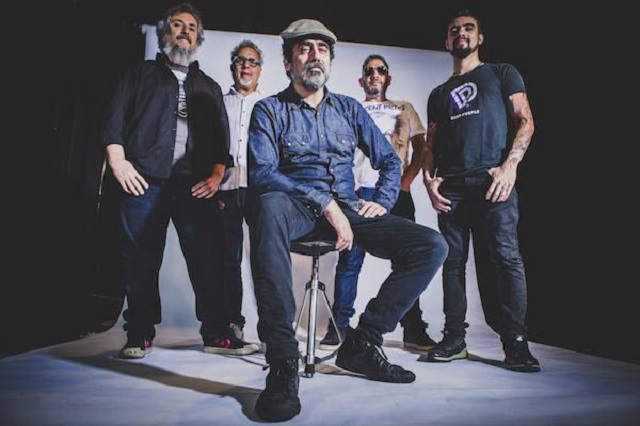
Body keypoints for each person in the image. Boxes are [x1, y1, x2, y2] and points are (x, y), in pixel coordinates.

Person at [247, 18, 448, 422]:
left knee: (431, 245)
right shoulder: (269, 110)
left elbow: (389, 160)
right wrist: (325, 203)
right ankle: (283, 361)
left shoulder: (348, 109)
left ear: (330, 61)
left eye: (322, 49)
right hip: (295, 209)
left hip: (350, 209)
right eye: (305, 48)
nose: (315, 55)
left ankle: (362, 342)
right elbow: (263, 172)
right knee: (266, 205)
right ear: (288, 62)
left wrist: (383, 202)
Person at [100, 2, 234, 359]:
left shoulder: (209, 86)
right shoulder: (138, 74)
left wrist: (216, 176)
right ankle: (139, 333)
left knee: (208, 259)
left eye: (191, 26)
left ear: (198, 38)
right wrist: (118, 161)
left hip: (193, 185)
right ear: (165, 33)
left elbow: (221, 141)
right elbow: (114, 120)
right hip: (145, 181)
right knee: (140, 260)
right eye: (177, 24)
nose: (185, 30)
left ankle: (217, 332)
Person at [421, 8, 540, 372]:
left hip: (493, 181)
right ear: (447, 41)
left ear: (479, 37)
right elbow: (430, 144)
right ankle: (454, 339)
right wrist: (428, 180)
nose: (461, 33)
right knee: (452, 262)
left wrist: (510, 166)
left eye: (468, 28)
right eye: (454, 29)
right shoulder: (439, 93)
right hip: (452, 187)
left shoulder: (502, 73)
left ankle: (516, 342)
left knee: (506, 258)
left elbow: (526, 120)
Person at [319, 54, 436, 352]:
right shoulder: (350, 109)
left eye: (380, 70)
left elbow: (422, 148)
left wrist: (406, 181)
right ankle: (339, 326)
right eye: (369, 71)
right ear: (361, 80)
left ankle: (412, 328)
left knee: (410, 259)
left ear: (388, 78)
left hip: (393, 193)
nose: (374, 74)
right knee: (350, 261)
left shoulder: (404, 108)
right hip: (358, 195)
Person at [210, 39, 268, 355]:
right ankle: (233, 325)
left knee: (264, 261)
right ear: (233, 66)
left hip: (260, 192)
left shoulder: (270, 105)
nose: (246, 66)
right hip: (226, 191)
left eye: (252, 61)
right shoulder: (219, 102)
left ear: (260, 69)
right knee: (228, 261)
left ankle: (270, 328)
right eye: (240, 60)